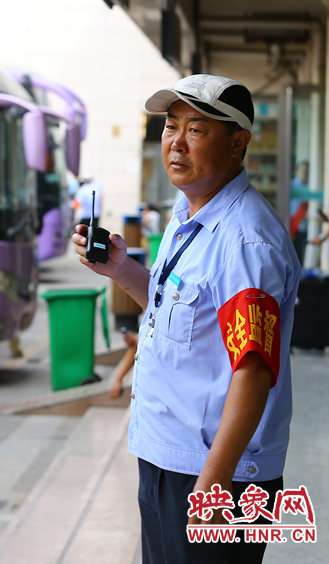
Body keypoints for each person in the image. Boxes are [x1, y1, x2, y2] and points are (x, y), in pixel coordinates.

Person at [72, 74, 300, 564]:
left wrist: (212, 487)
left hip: (217, 478)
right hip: (167, 458)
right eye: (170, 126)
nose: (175, 143)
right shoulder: (189, 215)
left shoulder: (246, 243)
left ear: (238, 143)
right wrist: (119, 269)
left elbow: (254, 369)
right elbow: (172, 310)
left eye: (196, 130)